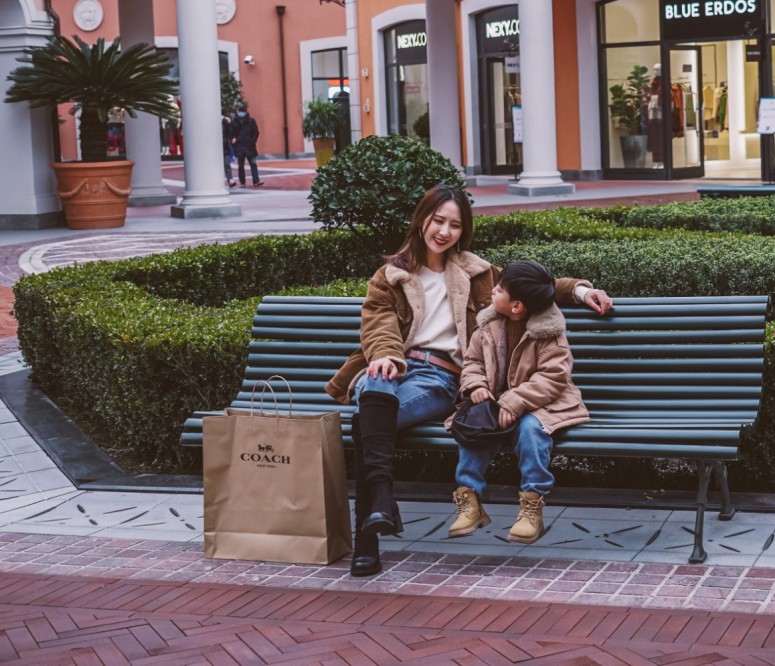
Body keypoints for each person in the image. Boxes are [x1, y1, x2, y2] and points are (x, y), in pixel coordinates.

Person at [322, 184, 612, 578]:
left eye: (454, 225)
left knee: (367, 422)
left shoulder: (476, 274)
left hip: (440, 379)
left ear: (464, 230)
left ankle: (371, 531)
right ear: (421, 218)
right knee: (374, 390)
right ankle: (380, 506)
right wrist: (387, 358)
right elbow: (378, 327)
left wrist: (579, 289)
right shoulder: (389, 276)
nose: (444, 231)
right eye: (438, 220)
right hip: (395, 369)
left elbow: (529, 285)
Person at [445, 260, 590, 545]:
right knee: (474, 429)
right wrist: (475, 385)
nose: (492, 292)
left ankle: (532, 503)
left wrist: (516, 399)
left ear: (516, 307)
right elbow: (472, 361)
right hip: (498, 403)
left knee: (530, 431)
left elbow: (554, 377)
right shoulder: (488, 325)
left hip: (545, 403)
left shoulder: (548, 332)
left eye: (498, 290)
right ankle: (470, 497)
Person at [231, 105, 261, 187]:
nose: (241, 112)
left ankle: (256, 181)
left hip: (249, 146)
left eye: (243, 110)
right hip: (239, 146)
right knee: (241, 165)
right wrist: (233, 139)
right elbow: (231, 133)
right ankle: (242, 182)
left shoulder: (251, 121)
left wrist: (252, 141)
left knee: (253, 164)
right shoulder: (234, 122)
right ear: (237, 111)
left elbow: (256, 132)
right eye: (240, 110)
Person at [221, 115, 237, 187]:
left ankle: (230, 179)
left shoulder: (225, 122)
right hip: (214, 148)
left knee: (227, 164)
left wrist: (229, 122)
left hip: (225, 147)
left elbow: (231, 132)